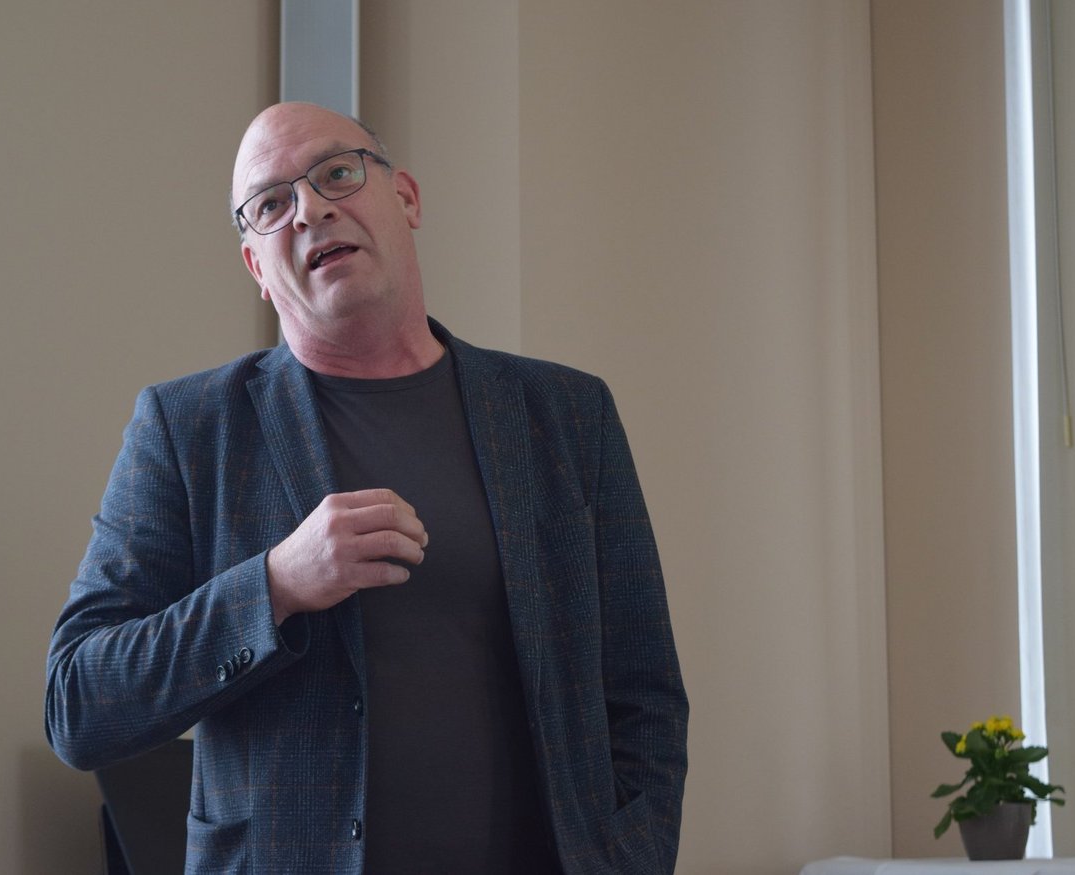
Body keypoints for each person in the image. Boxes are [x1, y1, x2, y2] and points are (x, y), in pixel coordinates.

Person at [45, 101, 688, 875]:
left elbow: (643, 693)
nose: (309, 209)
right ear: (256, 267)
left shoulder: (566, 414)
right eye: (270, 204)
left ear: (405, 197)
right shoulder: (188, 429)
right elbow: (77, 705)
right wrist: (274, 586)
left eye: (337, 173)